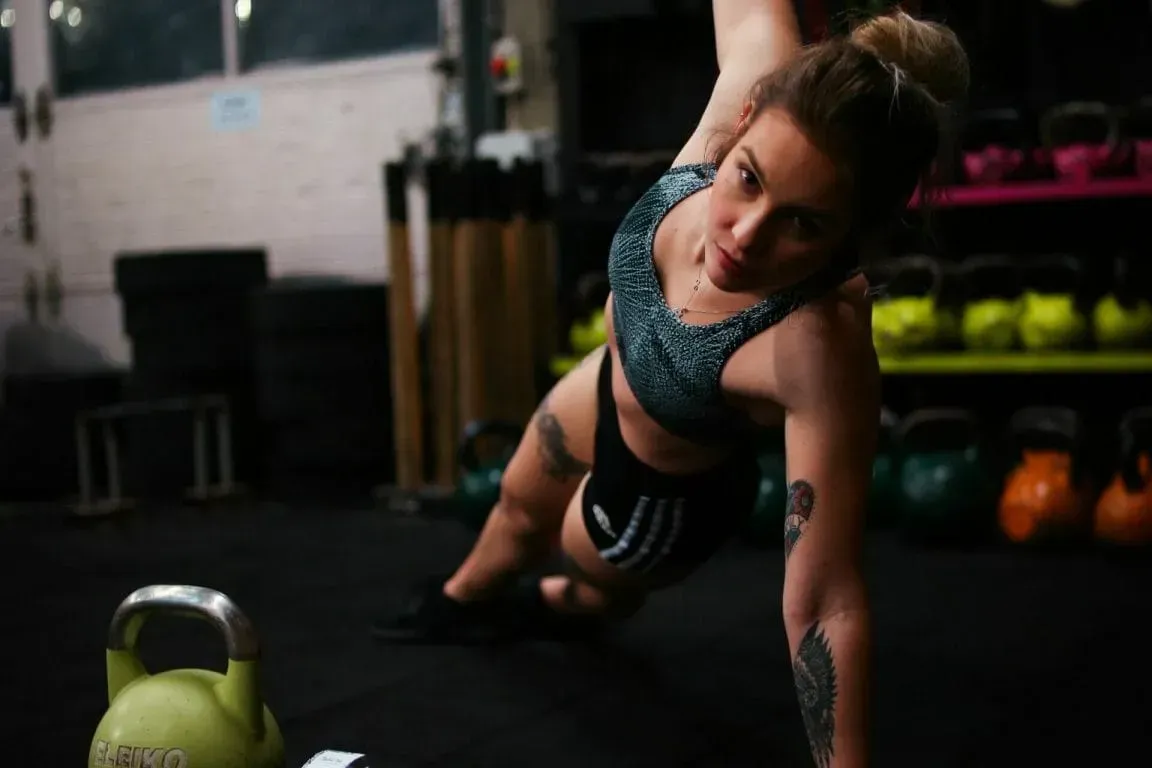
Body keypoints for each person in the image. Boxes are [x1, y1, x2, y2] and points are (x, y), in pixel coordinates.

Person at [376, 2, 969, 765]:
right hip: (609, 380)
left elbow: (824, 599)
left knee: (577, 574)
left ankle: (564, 604)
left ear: (850, 231)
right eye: (747, 178)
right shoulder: (753, 92)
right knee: (519, 502)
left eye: (803, 224)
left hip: (661, 494)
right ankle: (463, 600)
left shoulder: (818, 345)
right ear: (749, 115)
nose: (744, 234)